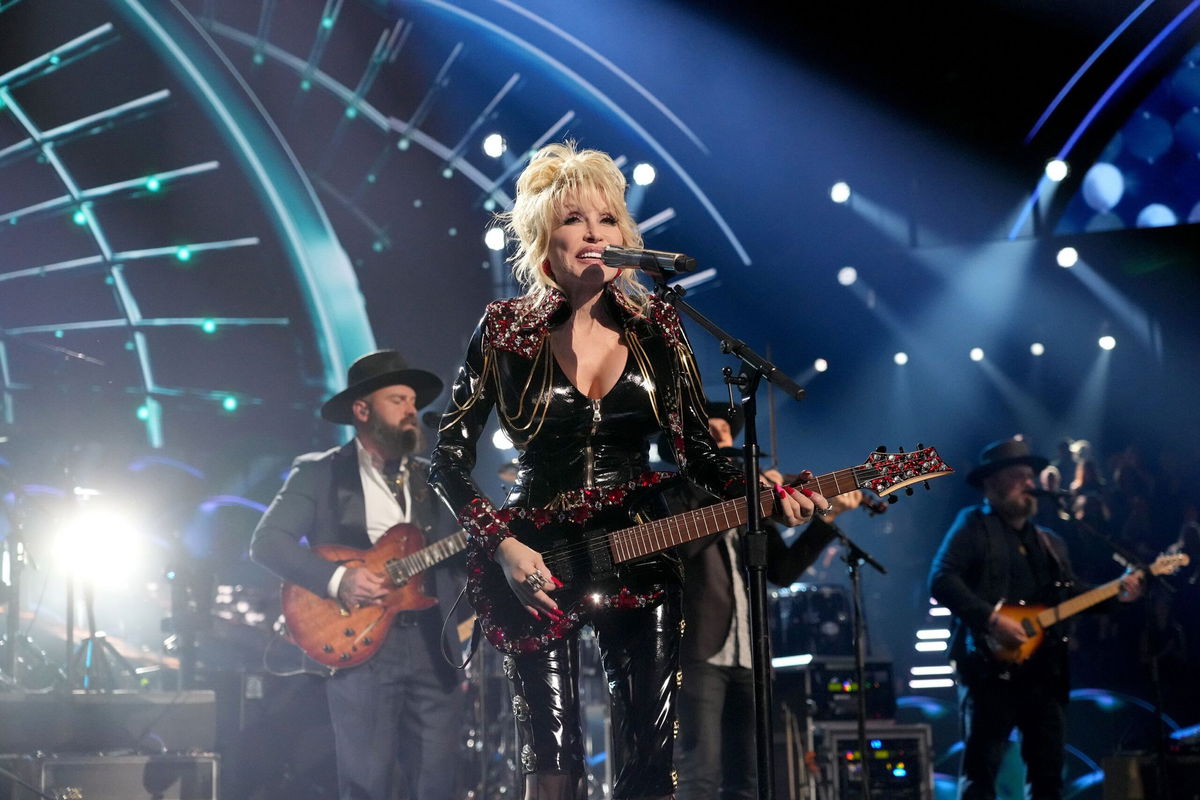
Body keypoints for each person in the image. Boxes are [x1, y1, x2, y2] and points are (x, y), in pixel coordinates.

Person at [429, 141, 831, 800]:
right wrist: (503, 547)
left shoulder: (657, 328)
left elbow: (698, 451)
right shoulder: (504, 329)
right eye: (573, 219)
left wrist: (765, 488)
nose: (594, 233)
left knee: (650, 758)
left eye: (607, 219)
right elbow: (445, 458)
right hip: (537, 557)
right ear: (543, 240)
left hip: (639, 550)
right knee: (550, 758)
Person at [250, 350, 467, 800]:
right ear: (362, 410)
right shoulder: (320, 473)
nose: (412, 410)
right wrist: (338, 580)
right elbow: (267, 543)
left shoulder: (437, 480)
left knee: (438, 782)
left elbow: (463, 554)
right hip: (361, 644)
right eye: (398, 399)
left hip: (433, 642)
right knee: (367, 783)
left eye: (412, 400)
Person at [928, 437, 1143, 800]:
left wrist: (1117, 595)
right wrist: (992, 620)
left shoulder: (1050, 542)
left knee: (1048, 776)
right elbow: (941, 578)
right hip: (989, 670)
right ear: (992, 483)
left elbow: (1074, 596)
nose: (1030, 483)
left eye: (1031, 476)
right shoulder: (973, 525)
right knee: (982, 774)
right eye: (1018, 476)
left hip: (1043, 672)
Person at [674, 401, 863, 800]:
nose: (722, 438)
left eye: (727, 432)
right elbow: (687, 545)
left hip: (751, 652)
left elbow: (783, 570)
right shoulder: (676, 492)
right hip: (700, 650)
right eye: (712, 432)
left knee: (751, 780)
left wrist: (825, 519)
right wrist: (742, 499)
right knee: (699, 774)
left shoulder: (748, 500)